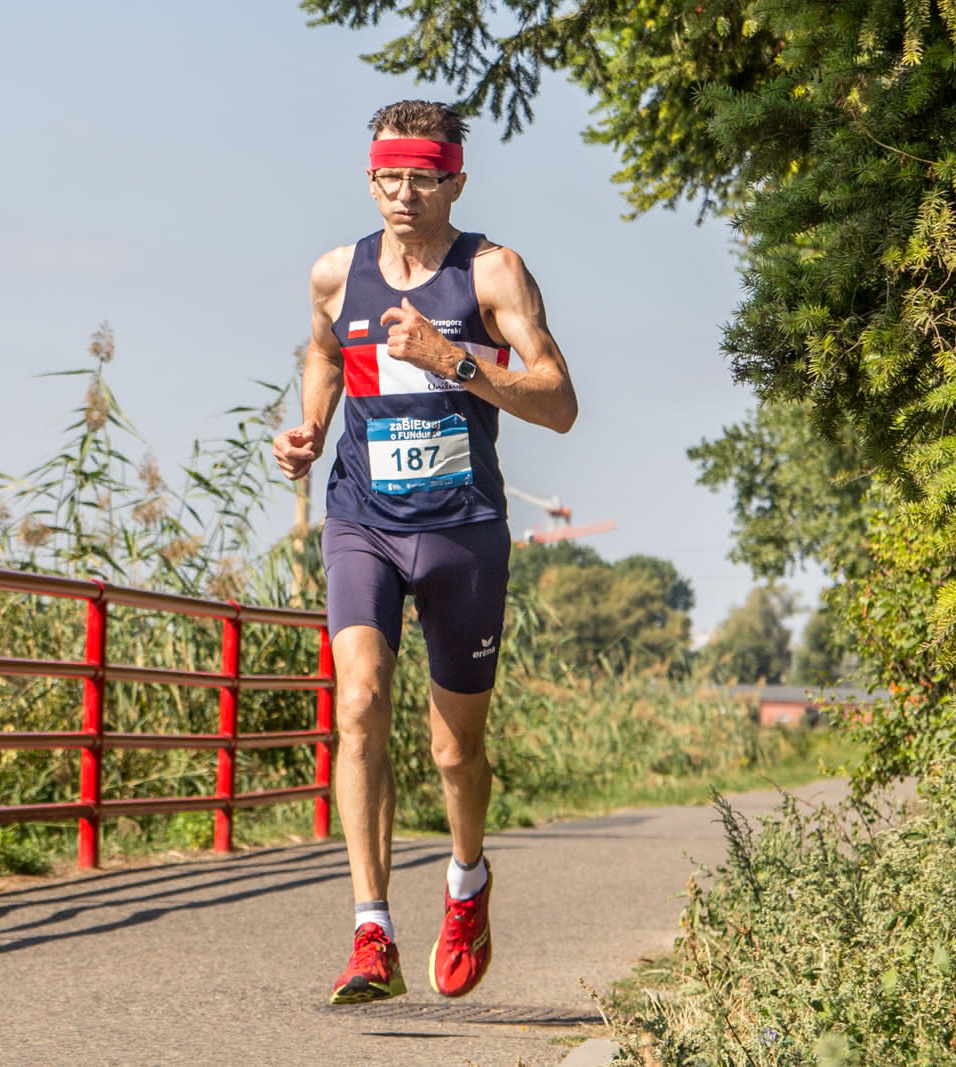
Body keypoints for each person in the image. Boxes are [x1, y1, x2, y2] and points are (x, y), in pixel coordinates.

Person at [272, 99, 577, 1004]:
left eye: (422, 178)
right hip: (362, 517)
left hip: (463, 530)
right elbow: (325, 353)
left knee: (456, 752)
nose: (403, 195)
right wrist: (313, 428)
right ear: (370, 180)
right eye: (387, 179)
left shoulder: (493, 273)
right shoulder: (337, 272)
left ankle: (467, 884)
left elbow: (559, 401)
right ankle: (371, 929)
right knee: (359, 699)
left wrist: (454, 359)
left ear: (455, 181)